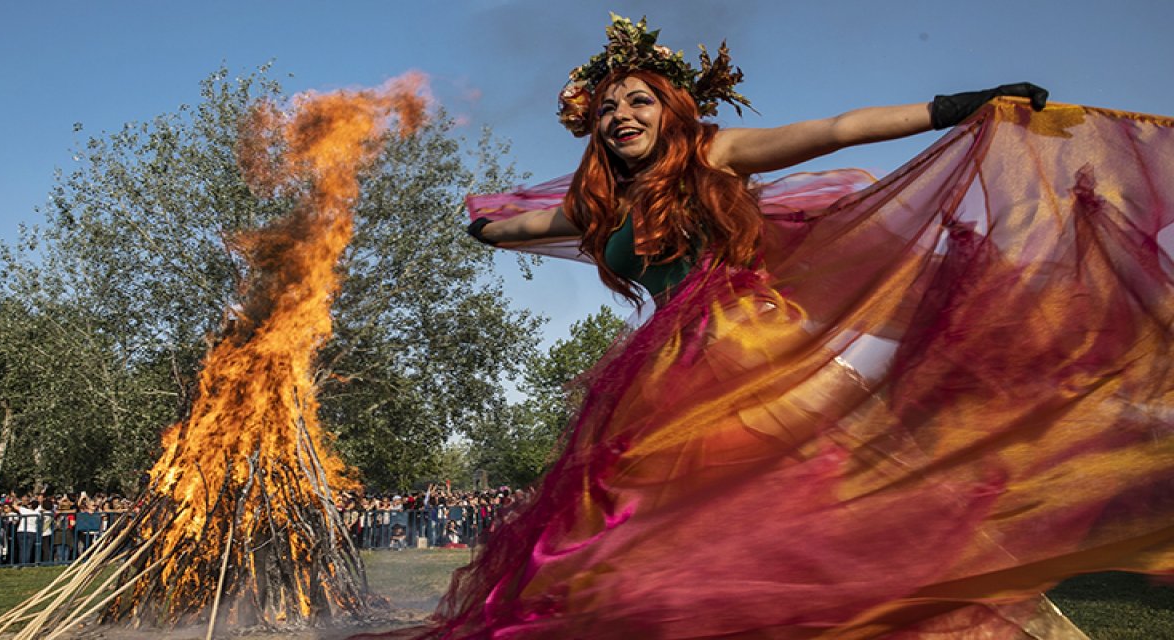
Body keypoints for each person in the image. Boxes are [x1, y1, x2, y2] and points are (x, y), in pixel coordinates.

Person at [380, 14, 1174, 640]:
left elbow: (835, 131)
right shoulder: (604, 208)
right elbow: (517, 229)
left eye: (640, 100)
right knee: (664, 529)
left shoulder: (718, 156)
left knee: (866, 499)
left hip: (755, 346)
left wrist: (950, 107)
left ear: (673, 110)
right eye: (610, 107)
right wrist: (480, 226)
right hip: (671, 371)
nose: (622, 114)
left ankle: (1011, 624)